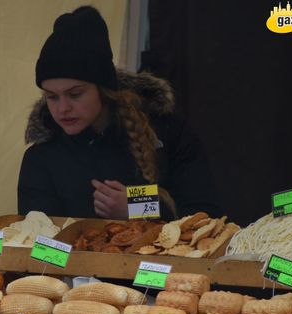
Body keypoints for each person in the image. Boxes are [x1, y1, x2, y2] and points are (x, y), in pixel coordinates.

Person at [18, 6, 222, 221]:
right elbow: (38, 246)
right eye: (52, 96)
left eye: (75, 94)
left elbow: (205, 213)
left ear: (103, 89)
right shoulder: (41, 159)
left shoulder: (167, 133)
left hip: (160, 256)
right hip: (77, 256)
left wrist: (136, 206)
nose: (62, 108)